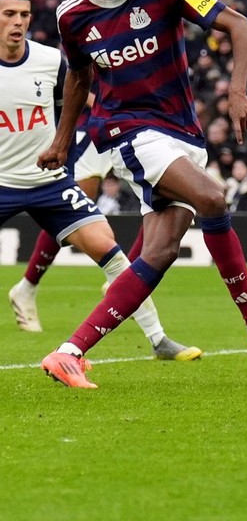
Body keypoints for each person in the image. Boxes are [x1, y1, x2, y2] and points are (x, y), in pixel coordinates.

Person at [37, 0, 247, 388]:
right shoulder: (72, 15)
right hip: (127, 132)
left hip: (182, 133)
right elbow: (78, 76)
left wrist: (237, 90)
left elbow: (240, 27)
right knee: (213, 198)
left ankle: (70, 352)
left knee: (161, 249)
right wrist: (62, 140)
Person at [0, 0, 195, 388]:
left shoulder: (51, 61)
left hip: (50, 183)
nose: (18, 23)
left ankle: (158, 340)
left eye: (23, 15)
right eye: (8, 15)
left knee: (113, 253)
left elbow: (84, 96)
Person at [9, 85, 201, 361]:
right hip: (93, 127)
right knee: (71, 211)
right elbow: (76, 77)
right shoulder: (67, 53)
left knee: (153, 197)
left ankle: (148, 318)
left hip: (127, 125)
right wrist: (102, 103)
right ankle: (28, 286)